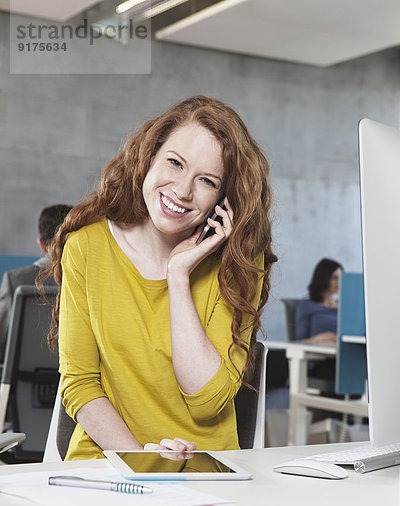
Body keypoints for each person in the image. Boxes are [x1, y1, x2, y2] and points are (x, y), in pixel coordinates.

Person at [45, 96, 277, 461]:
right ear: (149, 157)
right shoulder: (87, 248)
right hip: (111, 465)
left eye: (206, 180)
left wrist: (178, 275)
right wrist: (141, 461)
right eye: (175, 163)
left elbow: (207, 401)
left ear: (223, 198)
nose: (183, 191)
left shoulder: (239, 260)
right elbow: (81, 384)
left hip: (205, 468)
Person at [0, 204, 72, 362]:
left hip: (22, 383)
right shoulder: (91, 281)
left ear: (41, 244)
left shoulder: (15, 281)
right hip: (76, 383)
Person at [295, 257, 343, 382]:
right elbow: (298, 341)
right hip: (319, 360)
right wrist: (319, 339)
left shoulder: (345, 307)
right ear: (324, 278)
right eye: (334, 278)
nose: (339, 282)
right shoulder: (307, 305)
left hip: (342, 357)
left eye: (341, 277)